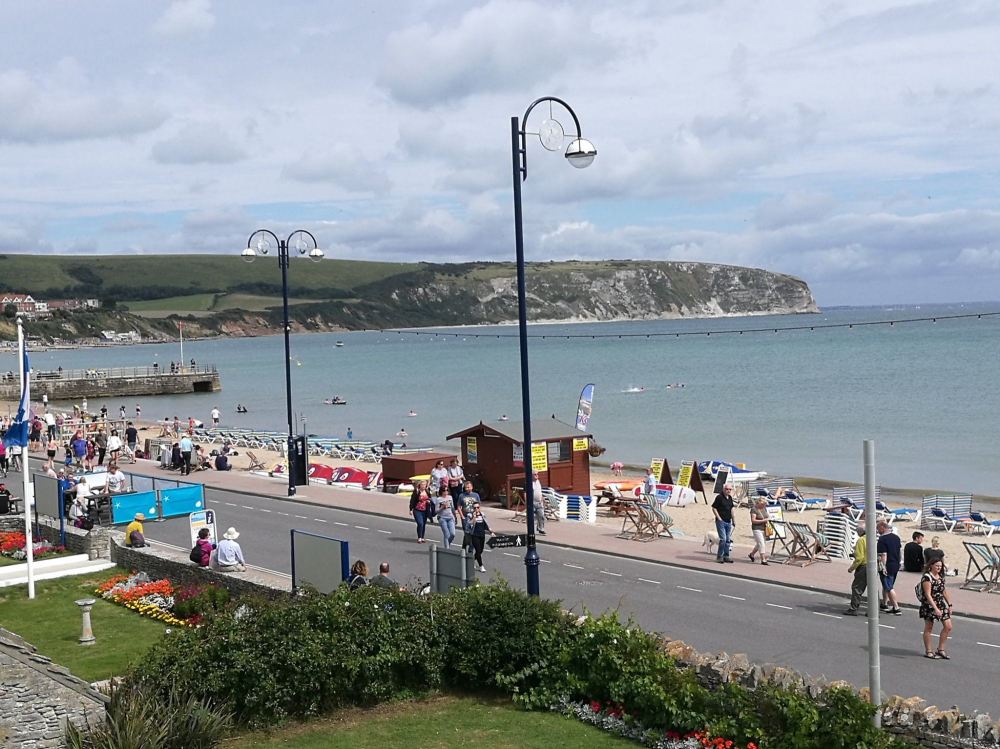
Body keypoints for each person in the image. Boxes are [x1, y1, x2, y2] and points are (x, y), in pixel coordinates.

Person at [919, 558, 954, 659]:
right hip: (929, 605)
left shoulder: (940, 577)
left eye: (940, 566)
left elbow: (944, 591)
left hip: (940, 603)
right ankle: (929, 651)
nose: (939, 568)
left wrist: (949, 605)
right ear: (931, 566)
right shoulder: (927, 577)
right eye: (937, 566)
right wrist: (935, 609)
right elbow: (928, 594)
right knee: (929, 628)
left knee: (948, 626)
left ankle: (941, 649)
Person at [876, 520, 903, 615]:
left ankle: (896, 607)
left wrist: (883, 567)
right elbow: (900, 551)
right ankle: (884, 603)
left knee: (889, 586)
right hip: (895, 564)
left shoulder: (882, 539)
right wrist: (900, 562)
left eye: (878, 528)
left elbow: (883, 555)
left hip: (887, 565)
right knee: (886, 585)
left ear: (883, 527)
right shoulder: (896, 538)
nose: (877, 530)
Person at [843, 525, 868, 615]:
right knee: (872, 589)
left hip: (863, 566)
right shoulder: (871, 538)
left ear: (860, 532)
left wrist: (851, 568)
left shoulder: (861, 540)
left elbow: (859, 558)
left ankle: (853, 608)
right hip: (872, 566)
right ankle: (873, 610)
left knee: (857, 588)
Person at [711, 484, 736, 563]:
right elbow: (714, 508)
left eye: (730, 489)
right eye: (726, 489)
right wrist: (719, 518)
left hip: (728, 521)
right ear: (723, 489)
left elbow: (731, 509)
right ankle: (719, 556)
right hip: (721, 521)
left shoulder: (730, 498)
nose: (728, 491)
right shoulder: (719, 497)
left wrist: (734, 519)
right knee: (723, 539)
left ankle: (726, 556)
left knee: (728, 540)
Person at [466, 501, 492, 572]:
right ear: (473, 508)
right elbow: (468, 525)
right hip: (474, 535)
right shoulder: (470, 515)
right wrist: (473, 518)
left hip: (482, 534)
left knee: (480, 550)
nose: (476, 509)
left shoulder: (482, 515)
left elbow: (485, 524)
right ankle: (481, 566)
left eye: (478, 507)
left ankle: (472, 561)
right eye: (475, 508)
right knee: (477, 550)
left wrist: (490, 531)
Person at [748, 496, 770, 565]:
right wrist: (764, 520)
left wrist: (768, 519)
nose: (764, 505)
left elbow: (767, 516)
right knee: (761, 543)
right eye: (763, 504)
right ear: (759, 503)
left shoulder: (764, 508)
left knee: (759, 543)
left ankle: (751, 554)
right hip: (756, 528)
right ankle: (763, 560)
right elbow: (753, 520)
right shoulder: (754, 509)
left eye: (765, 504)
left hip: (764, 528)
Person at [531, 470, 546, 535]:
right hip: (532, 502)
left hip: (539, 502)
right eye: (535, 474)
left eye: (537, 474)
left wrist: (542, 499)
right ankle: (532, 531)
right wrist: (527, 502)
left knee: (541, 516)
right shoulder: (529, 483)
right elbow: (525, 493)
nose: (537, 475)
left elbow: (539, 492)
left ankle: (541, 529)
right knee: (533, 518)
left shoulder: (538, 482)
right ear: (531, 475)